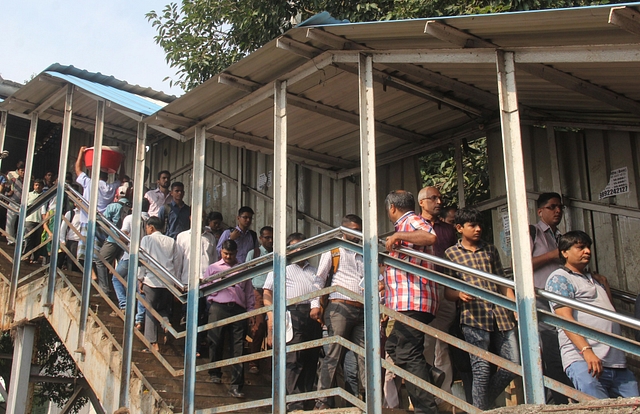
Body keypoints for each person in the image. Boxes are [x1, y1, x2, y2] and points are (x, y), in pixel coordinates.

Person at [546, 231, 639, 399]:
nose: (587, 251)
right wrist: (586, 350)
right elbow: (564, 318)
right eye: (580, 247)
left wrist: (605, 285)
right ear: (564, 252)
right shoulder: (560, 278)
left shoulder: (595, 279)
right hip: (585, 360)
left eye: (588, 247)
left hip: (616, 362)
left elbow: (611, 314)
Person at [444, 207, 519, 410]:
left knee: (513, 364)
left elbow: (502, 281)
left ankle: (480, 405)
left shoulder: (490, 249)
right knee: (481, 368)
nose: (478, 229)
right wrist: (458, 295)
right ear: (459, 228)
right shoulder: (450, 254)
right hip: (473, 317)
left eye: (480, 225)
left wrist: (513, 307)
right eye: (472, 225)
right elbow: (447, 291)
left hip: (500, 315)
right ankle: (481, 409)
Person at [383, 190, 439, 414]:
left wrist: (398, 237)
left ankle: (427, 409)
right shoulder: (405, 225)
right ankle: (431, 374)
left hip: (415, 300)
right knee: (393, 347)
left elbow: (430, 236)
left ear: (392, 208)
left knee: (408, 352)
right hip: (405, 302)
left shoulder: (411, 221)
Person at [311, 214, 366, 410]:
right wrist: (315, 304)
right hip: (339, 307)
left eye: (360, 230)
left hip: (362, 309)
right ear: (344, 231)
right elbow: (319, 278)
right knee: (333, 355)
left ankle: (367, 401)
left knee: (365, 356)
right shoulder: (334, 249)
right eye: (354, 230)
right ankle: (322, 401)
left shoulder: (364, 251)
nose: (358, 234)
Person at [263, 233, 322, 412]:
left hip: (312, 316)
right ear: (288, 249)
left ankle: (305, 398)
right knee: (294, 357)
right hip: (292, 313)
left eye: (304, 246)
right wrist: (271, 319)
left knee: (311, 357)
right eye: (296, 246)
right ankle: (294, 402)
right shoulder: (280, 268)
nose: (300, 250)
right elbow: (267, 292)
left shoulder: (314, 271)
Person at [530, 192, 574, 403]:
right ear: (540, 211)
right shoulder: (532, 232)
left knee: (568, 348)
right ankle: (558, 400)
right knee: (551, 350)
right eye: (552, 207)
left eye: (560, 207)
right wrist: (552, 255)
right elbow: (521, 265)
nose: (558, 211)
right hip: (541, 299)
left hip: (563, 301)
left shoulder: (560, 237)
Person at [418, 186, 458, 412]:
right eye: (433, 198)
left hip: (445, 287)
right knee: (424, 343)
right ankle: (424, 396)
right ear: (422, 203)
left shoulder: (447, 230)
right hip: (423, 289)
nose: (439, 202)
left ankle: (445, 397)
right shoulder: (414, 225)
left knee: (443, 342)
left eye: (440, 198)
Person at [203, 239, 254, 398]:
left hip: (238, 309)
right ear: (221, 252)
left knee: (238, 346)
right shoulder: (213, 268)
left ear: (236, 253)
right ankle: (215, 372)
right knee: (215, 340)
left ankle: (236, 385)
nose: (228, 257)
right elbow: (203, 288)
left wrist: (251, 311)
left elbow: (249, 292)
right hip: (219, 307)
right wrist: (216, 291)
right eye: (225, 254)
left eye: (231, 254)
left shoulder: (242, 269)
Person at [137, 216, 181, 353]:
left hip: (152, 280)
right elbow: (177, 261)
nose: (146, 230)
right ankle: (166, 324)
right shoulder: (171, 241)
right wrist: (175, 280)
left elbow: (142, 259)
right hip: (167, 282)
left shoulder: (147, 239)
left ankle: (152, 343)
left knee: (150, 310)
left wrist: (140, 278)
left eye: (147, 228)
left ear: (151, 227)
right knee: (162, 309)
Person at [75, 146, 125, 261]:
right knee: (99, 253)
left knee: (87, 252)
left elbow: (78, 170)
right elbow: (121, 178)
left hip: (88, 220)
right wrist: (122, 162)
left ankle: (92, 274)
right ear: (107, 176)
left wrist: (81, 153)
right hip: (103, 222)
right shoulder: (111, 187)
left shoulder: (89, 182)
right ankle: (96, 273)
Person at [113, 198, 150, 315]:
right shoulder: (150, 220)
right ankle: (140, 316)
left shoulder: (130, 218)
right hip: (145, 257)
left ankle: (124, 304)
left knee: (116, 277)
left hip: (130, 255)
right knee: (139, 284)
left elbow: (123, 236)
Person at [245, 225, 273, 375]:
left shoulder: (278, 253)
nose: (270, 240)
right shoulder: (254, 253)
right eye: (267, 237)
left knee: (274, 328)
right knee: (258, 327)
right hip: (258, 292)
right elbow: (247, 275)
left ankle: (271, 364)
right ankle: (253, 361)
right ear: (261, 238)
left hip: (274, 294)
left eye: (272, 237)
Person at [94, 183, 132, 298]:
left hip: (113, 240)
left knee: (100, 260)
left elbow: (102, 220)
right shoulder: (132, 207)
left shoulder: (112, 206)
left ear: (117, 195)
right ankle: (125, 294)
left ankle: (104, 290)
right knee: (124, 267)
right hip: (126, 242)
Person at [24, 179, 45, 264]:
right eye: (36, 185)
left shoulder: (45, 195)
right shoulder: (29, 195)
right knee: (29, 238)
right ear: (33, 186)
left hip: (39, 220)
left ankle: (34, 258)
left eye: (39, 185)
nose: (37, 186)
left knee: (37, 240)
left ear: (42, 186)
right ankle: (26, 255)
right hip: (30, 219)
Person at [5, 161, 25, 245]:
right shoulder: (12, 175)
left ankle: (22, 239)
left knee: (23, 222)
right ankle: (10, 239)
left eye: (24, 170)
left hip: (23, 203)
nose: (23, 172)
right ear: (18, 170)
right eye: (22, 170)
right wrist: (8, 193)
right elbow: (6, 184)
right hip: (13, 201)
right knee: (10, 221)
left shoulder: (28, 178)